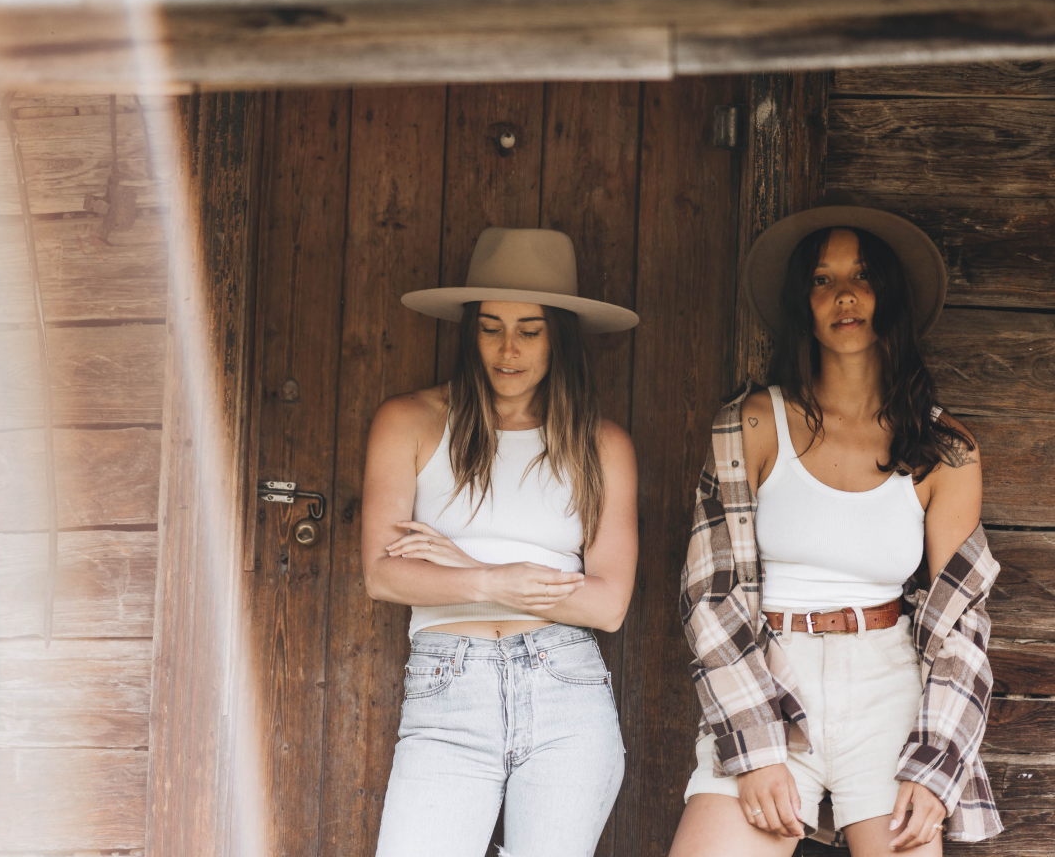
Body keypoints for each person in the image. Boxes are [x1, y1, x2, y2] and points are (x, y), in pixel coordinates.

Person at [670, 193, 1003, 857]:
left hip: (886, 688)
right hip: (768, 674)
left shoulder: (946, 450)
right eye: (823, 280)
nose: (844, 295)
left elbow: (961, 624)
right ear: (804, 302)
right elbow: (711, 595)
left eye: (862, 276)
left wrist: (937, 765)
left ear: (889, 296)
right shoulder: (752, 425)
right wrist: (755, 745)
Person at [362, 227, 639, 857]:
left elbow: (607, 606)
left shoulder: (602, 445)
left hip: (566, 690)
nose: (507, 349)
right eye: (490, 327)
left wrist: (464, 565)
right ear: (469, 331)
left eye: (530, 330)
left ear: (559, 336)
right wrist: (493, 582)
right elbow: (383, 575)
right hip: (447, 690)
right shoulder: (409, 420)